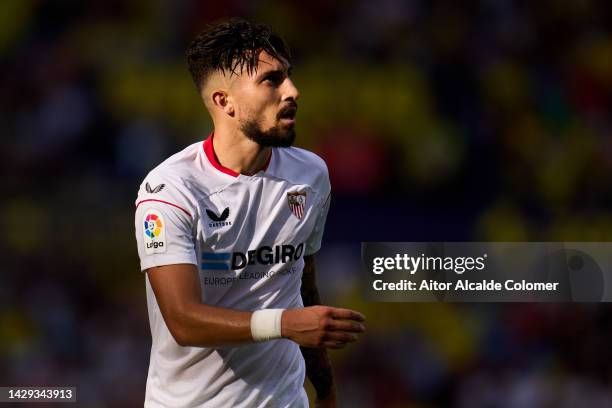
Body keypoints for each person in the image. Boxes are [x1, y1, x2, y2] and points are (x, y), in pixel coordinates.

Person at [134, 18, 366, 408]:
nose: (293, 91)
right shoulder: (169, 191)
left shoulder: (310, 174)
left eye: (289, 77)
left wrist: (325, 390)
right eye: (271, 81)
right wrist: (285, 324)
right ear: (224, 101)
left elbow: (302, 286)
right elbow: (182, 320)